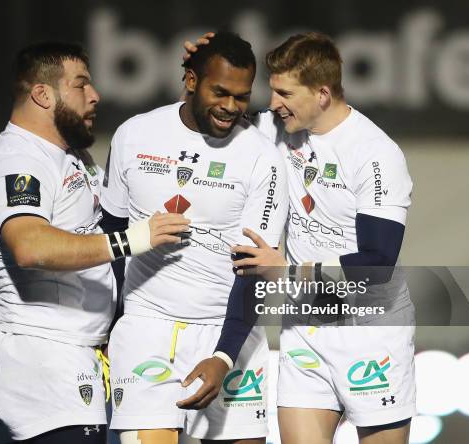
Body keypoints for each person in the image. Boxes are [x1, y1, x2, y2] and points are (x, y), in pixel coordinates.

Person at [185, 32, 416, 444]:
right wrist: (201, 63)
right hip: (304, 324)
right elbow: (214, 112)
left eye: (284, 93)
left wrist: (288, 271)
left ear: (323, 94)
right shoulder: (277, 128)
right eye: (272, 91)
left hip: (369, 332)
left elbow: (378, 265)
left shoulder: (375, 154)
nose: (273, 103)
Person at [0, 41, 189, 444]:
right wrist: (131, 240)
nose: (96, 95)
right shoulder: (20, 160)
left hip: (73, 354)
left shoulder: (68, 155)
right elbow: (30, 246)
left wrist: (195, 90)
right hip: (38, 354)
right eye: (81, 85)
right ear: (42, 94)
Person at [101, 32, 289, 444]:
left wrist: (224, 355)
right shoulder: (134, 135)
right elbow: (111, 238)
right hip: (147, 329)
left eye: (241, 97)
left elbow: (254, 268)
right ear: (190, 80)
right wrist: (109, 324)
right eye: (220, 91)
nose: (230, 107)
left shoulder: (262, 156)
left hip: (230, 334)